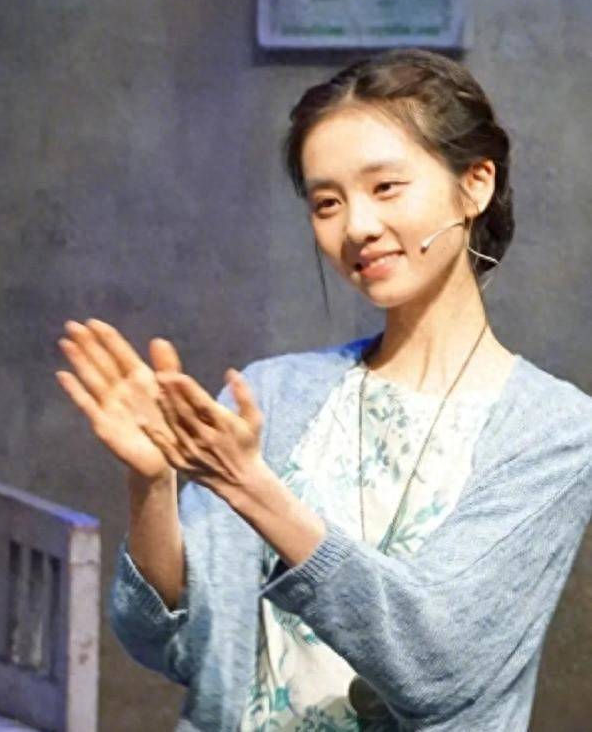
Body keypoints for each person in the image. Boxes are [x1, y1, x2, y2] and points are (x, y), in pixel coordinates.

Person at [55, 48, 592, 731]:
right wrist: (152, 484)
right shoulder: (272, 395)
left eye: (386, 187)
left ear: (475, 183)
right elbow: (170, 645)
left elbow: (439, 665)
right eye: (327, 203)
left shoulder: (556, 431)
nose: (357, 227)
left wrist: (252, 487)